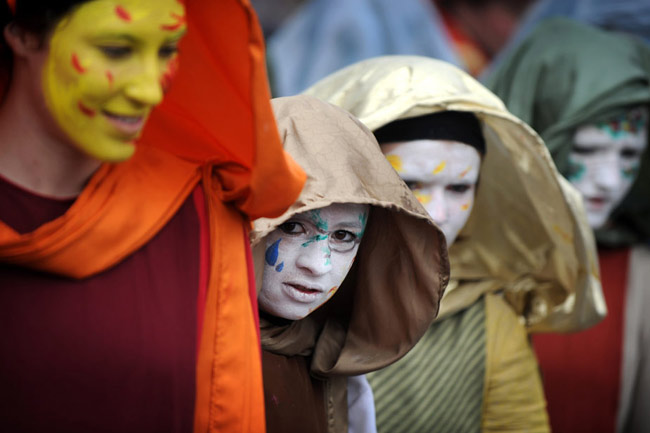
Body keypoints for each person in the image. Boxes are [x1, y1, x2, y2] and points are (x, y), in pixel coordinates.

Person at [0, 1, 305, 432]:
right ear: (24, 35)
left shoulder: (198, 208)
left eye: (166, 51)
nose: (150, 90)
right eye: (116, 49)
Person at [307, 55, 604, 432]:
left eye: (459, 187)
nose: (437, 214)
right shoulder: (291, 295)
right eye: (410, 184)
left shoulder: (487, 318)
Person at [487, 18, 650, 433]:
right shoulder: (464, 259)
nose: (611, 179)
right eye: (587, 148)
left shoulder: (640, 273)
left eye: (630, 154)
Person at [251, 94, 449, 433]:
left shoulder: (334, 366)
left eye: (343, 236)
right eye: (292, 226)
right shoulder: (186, 354)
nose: (318, 264)